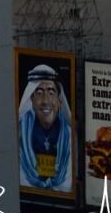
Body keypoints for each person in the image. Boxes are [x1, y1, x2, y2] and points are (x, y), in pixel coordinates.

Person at [18, 63, 73, 191]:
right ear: (31, 99)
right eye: (39, 92)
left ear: (59, 101)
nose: (45, 101)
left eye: (51, 92)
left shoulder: (70, 136)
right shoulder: (19, 134)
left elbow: (67, 184)